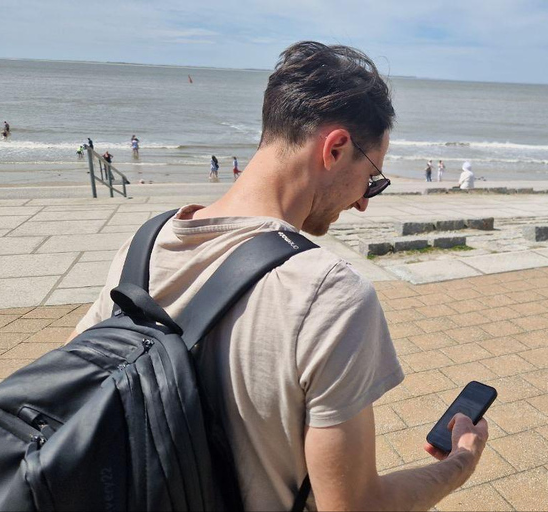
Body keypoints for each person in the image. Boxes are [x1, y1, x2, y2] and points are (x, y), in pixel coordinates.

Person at [68, 41, 488, 511]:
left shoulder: (143, 246)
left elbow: (78, 389)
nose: (365, 201)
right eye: (373, 179)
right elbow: (352, 507)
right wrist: (459, 464)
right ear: (336, 148)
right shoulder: (330, 295)